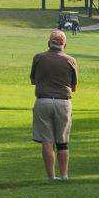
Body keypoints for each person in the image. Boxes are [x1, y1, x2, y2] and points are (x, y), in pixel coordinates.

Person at [30, 30, 78, 180]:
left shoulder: (39, 57)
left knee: (47, 141)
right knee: (62, 142)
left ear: (49, 43)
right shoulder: (70, 60)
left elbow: (33, 80)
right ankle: (64, 175)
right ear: (65, 44)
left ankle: (51, 176)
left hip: (43, 101)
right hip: (63, 102)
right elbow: (74, 87)